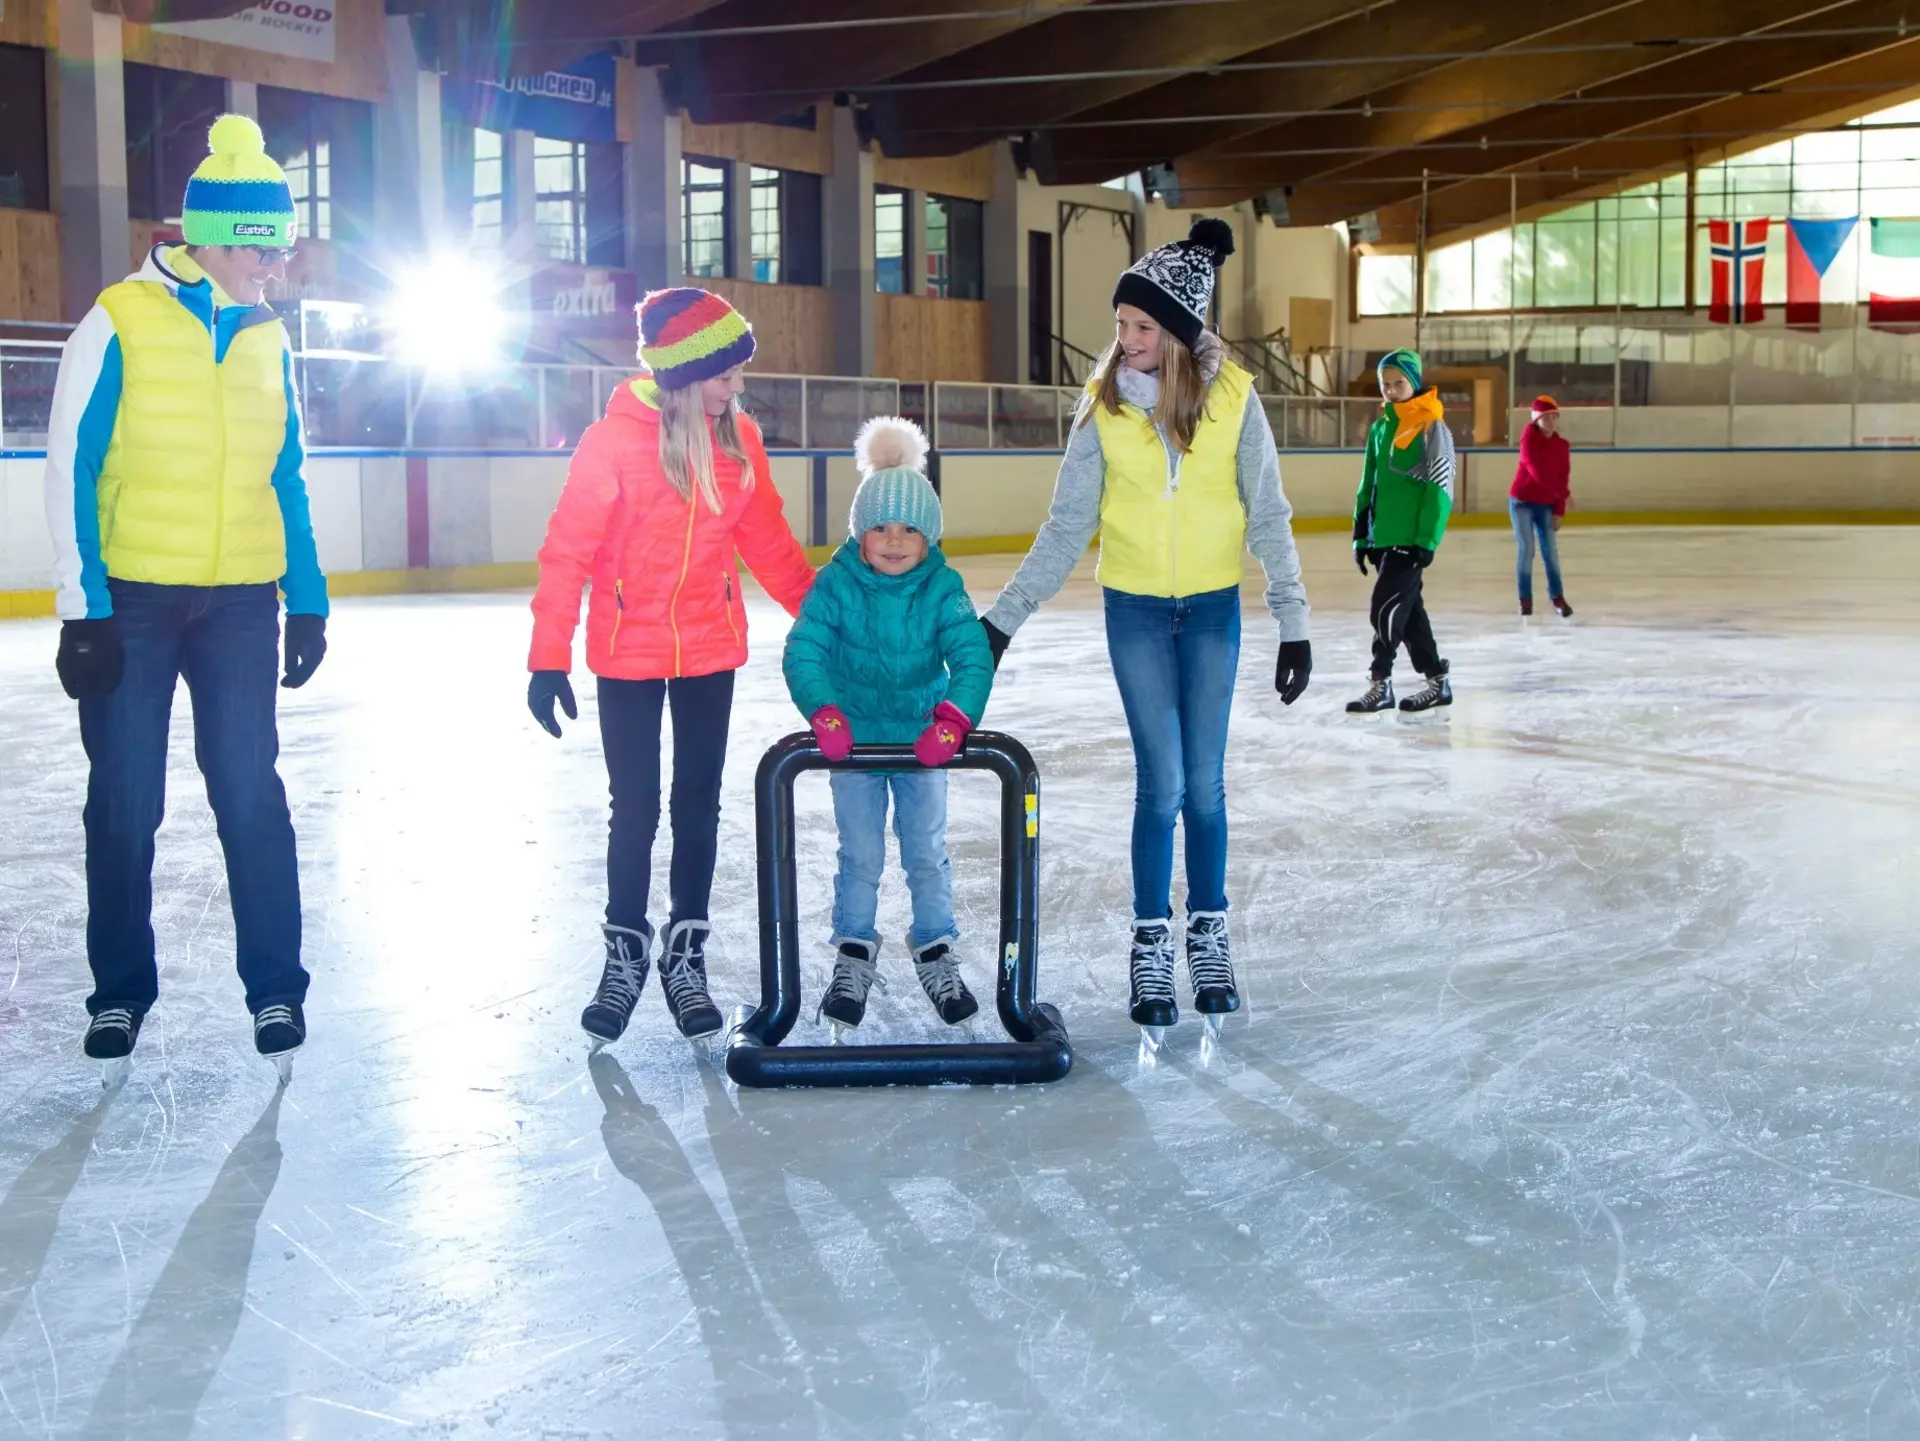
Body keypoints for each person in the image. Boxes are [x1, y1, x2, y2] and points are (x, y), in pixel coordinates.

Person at [43, 114, 328, 1081]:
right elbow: (70, 468)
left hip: (243, 602)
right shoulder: (116, 319)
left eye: (283, 248)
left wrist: (311, 595)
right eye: (266, 247)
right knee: (125, 803)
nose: (277, 266)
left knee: (252, 793)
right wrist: (84, 610)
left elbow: (286, 473)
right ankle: (120, 990)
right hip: (135, 599)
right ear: (211, 239)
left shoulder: (266, 338)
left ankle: (276, 983)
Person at [979, 217, 1312, 1046]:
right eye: (1121, 324)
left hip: (1211, 610)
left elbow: (1267, 512)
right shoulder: (1101, 411)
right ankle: (1150, 940)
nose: (1123, 340)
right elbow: (1064, 529)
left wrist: (1294, 619)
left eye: (1141, 327)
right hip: (1133, 609)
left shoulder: (1233, 399)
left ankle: (1208, 933)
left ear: (1178, 333)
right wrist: (1002, 623)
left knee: (1205, 784)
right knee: (1160, 782)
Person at [528, 288, 815, 1048]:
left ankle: (685, 957)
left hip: (708, 647)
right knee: (637, 806)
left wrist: (826, 623)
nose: (737, 388)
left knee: (697, 804)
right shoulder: (612, 443)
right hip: (626, 653)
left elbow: (771, 544)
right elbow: (567, 552)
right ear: (687, 376)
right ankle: (624, 953)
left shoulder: (738, 439)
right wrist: (548, 654)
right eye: (725, 376)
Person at [782, 417, 995, 1040]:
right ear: (859, 532)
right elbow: (804, 651)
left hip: (924, 744)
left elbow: (972, 657)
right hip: (853, 746)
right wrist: (824, 712)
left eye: (909, 529)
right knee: (861, 853)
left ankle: (934, 950)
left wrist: (954, 722)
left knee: (926, 851)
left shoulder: (943, 588)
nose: (894, 541)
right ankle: (853, 952)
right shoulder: (835, 584)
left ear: (930, 536)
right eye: (880, 527)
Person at [1347, 348, 1457, 716]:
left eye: (1399, 383)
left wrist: (1427, 539)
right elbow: (1369, 482)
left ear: (1414, 382)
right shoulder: (1380, 427)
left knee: (1386, 608)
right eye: (1385, 385)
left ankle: (1381, 684)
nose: (1392, 391)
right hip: (1384, 538)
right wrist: (1362, 533)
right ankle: (1437, 682)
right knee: (1409, 615)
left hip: (1410, 540)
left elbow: (1440, 487)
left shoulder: (1432, 427)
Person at [1510, 394, 1573, 617]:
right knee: (1526, 549)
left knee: (1551, 551)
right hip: (1522, 502)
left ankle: (1557, 597)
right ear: (1536, 420)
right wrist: (1564, 494)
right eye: (1546, 417)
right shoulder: (1528, 440)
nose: (1551, 421)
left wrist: (1559, 509)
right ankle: (1525, 600)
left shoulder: (1562, 446)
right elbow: (1537, 472)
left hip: (1546, 504)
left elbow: (1562, 477)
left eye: (1554, 416)